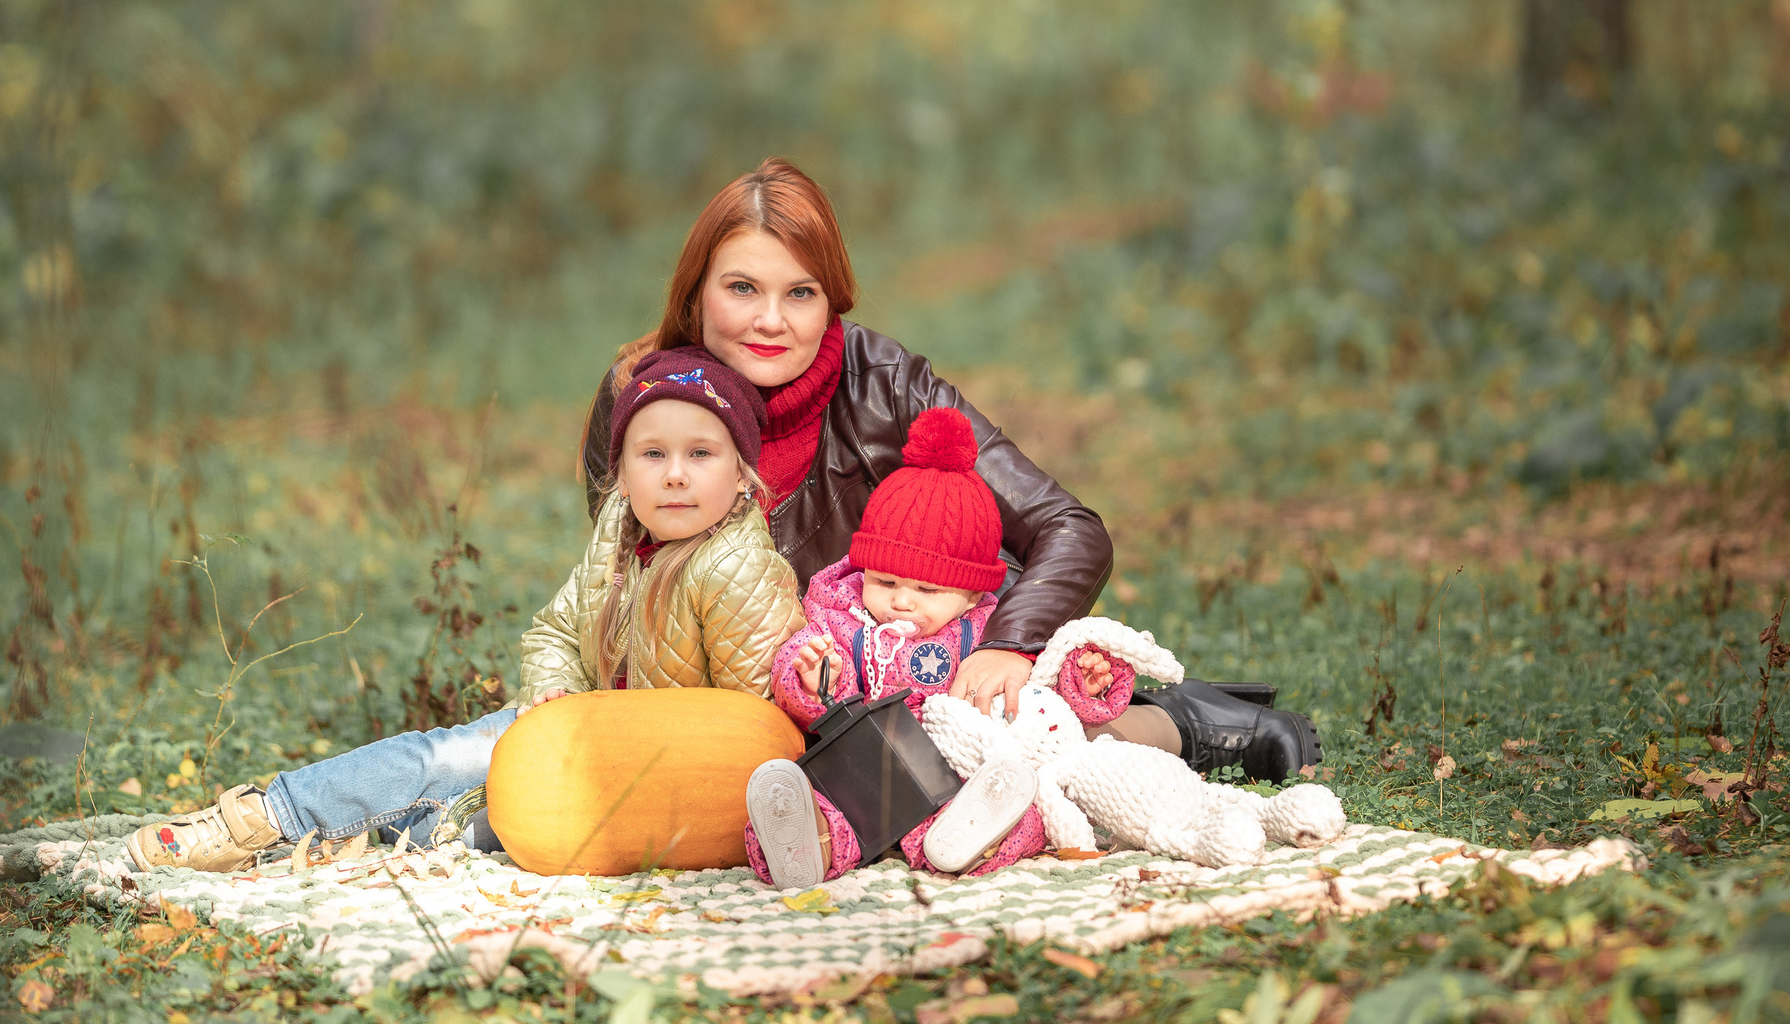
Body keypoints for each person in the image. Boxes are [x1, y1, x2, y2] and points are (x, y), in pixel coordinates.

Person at [580, 157, 1317, 779]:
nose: (771, 320)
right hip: (762, 702)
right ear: (695, 292)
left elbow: (1070, 529)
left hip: (919, 669)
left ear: (831, 299)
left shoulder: (885, 384)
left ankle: (1174, 722)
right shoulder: (637, 402)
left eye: (800, 292)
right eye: (742, 287)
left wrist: (1008, 644)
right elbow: (624, 581)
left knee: (1000, 756)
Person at [127, 348, 803, 874]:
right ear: (622, 473)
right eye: (652, 454)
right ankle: (266, 816)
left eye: (701, 454)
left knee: (486, 820)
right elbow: (555, 628)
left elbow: (749, 721)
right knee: (446, 755)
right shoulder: (621, 535)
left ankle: (348, 828)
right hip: (571, 731)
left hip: (658, 779)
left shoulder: (738, 568)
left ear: (742, 474)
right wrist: (552, 691)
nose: (675, 474)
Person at [742, 408, 1135, 890]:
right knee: (832, 804)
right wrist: (812, 676)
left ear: (971, 594)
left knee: (1007, 805)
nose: (901, 601)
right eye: (885, 581)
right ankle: (805, 838)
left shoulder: (988, 631)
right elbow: (805, 673)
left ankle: (985, 833)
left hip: (955, 777)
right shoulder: (840, 613)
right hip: (866, 771)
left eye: (927, 592)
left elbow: (1042, 695)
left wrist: (1086, 681)